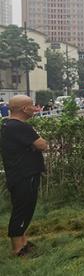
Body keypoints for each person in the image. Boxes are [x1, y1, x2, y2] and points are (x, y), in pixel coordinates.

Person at [0, 95, 48, 257]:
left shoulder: (7, 124)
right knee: (23, 210)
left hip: (17, 173)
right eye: (32, 106)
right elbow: (42, 145)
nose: (35, 108)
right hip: (25, 174)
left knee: (24, 208)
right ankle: (17, 250)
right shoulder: (20, 127)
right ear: (24, 109)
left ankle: (23, 242)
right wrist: (38, 144)